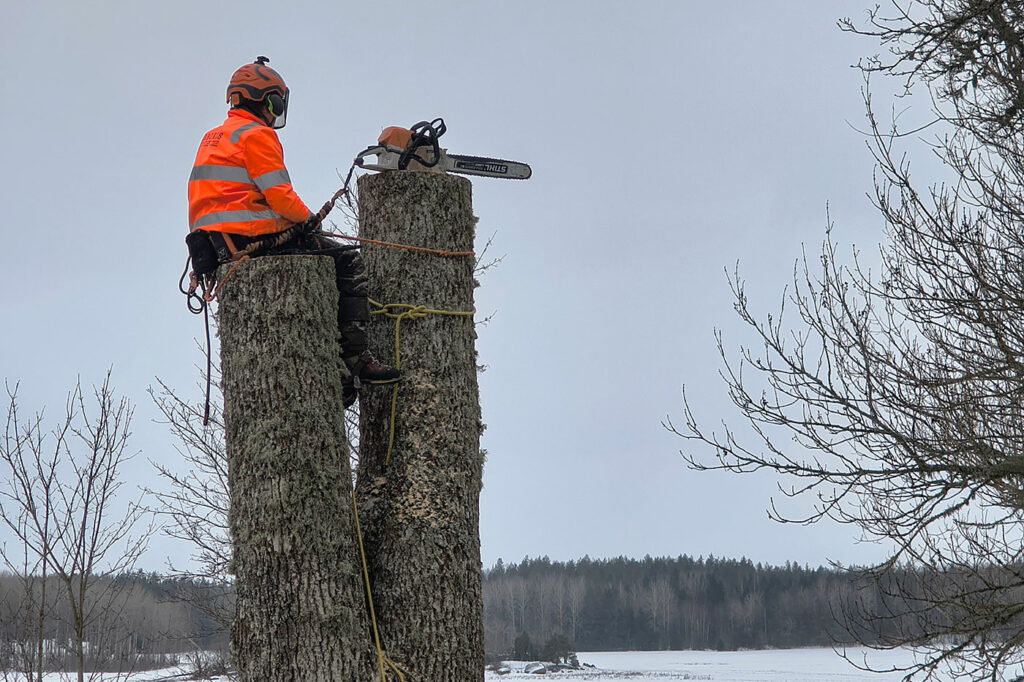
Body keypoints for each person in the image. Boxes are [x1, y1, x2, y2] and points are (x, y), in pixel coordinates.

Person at [187, 56, 400, 406]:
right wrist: (309, 220)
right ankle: (353, 364)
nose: (275, 112)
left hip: (217, 244)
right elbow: (280, 196)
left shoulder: (214, 136)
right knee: (346, 262)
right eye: (275, 103)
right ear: (265, 100)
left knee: (326, 258)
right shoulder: (257, 135)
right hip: (253, 237)